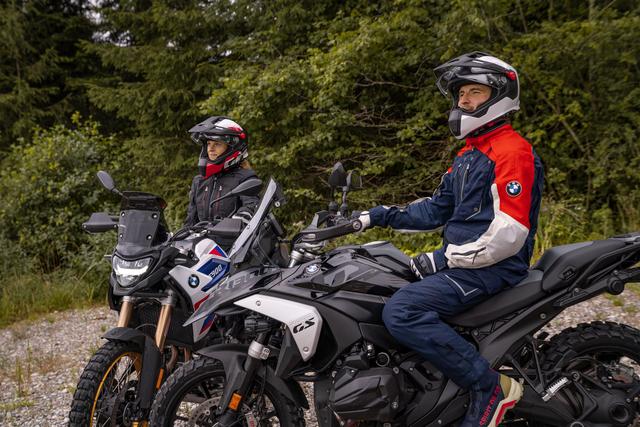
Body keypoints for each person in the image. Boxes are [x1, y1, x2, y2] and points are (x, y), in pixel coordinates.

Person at [357, 52, 544, 426]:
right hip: (469, 264)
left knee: (402, 311)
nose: (464, 101)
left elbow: (510, 233)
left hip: (495, 267)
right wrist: (377, 216)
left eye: (474, 92)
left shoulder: (512, 151)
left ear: (498, 96)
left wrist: (444, 259)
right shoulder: (469, 154)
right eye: (461, 94)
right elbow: (435, 210)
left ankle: (488, 387)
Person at [185, 116, 260, 228]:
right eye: (209, 143)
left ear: (231, 148)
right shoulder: (199, 181)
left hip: (234, 238)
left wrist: (234, 223)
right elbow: (191, 222)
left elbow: (251, 207)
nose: (210, 149)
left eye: (217, 144)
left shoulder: (246, 178)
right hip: (205, 238)